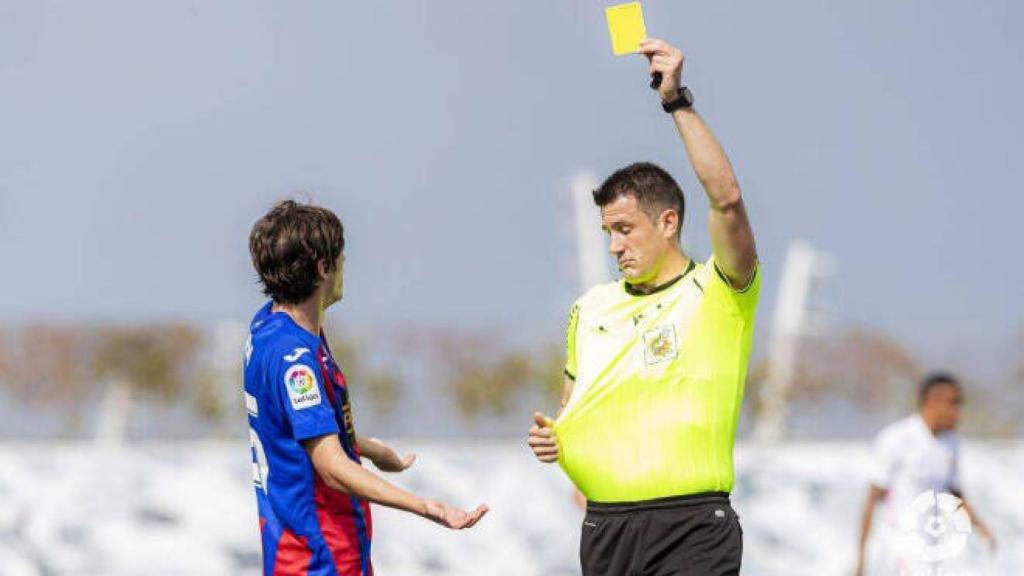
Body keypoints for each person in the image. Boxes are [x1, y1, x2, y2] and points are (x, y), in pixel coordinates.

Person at [528, 38, 759, 576]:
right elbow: (573, 406)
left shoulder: (719, 290)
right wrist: (554, 437)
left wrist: (676, 102)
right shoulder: (591, 308)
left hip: (693, 528)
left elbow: (726, 197)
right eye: (608, 232)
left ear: (668, 222)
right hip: (607, 531)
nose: (614, 246)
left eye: (625, 229)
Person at [244, 200, 487, 576]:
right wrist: (426, 507)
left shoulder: (269, 328)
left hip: (310, 556)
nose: (345, 269)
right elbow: (331, 468)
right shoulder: (295, 360)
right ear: (323, 267)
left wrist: (367, 447)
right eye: (341, 259)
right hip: (319, 559)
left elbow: (291, 433)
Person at [855, 372, 996, 576]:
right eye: (953, 403)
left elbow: (956, 496)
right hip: (898, 545)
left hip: (931, 545)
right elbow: (872, 498)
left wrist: (982, 528)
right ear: (932, 401)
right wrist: (861, 558)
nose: (958, 412)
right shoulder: (897, 438)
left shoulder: (951, 444)